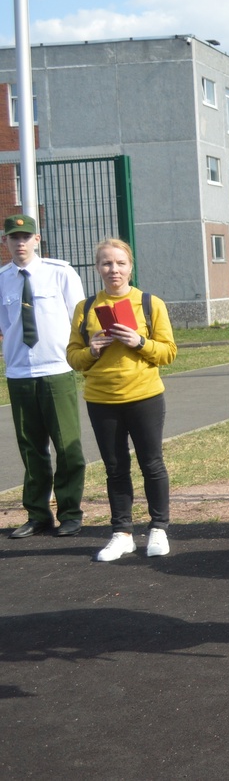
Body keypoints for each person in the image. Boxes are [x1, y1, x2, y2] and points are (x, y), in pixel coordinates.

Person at [67, 238, 178, 560]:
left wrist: (139, 341)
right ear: (97, 268)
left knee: (152, 464)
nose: (113, 269)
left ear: (130, 267)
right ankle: (122, 533)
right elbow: (73, 357)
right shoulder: (85, 308)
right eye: (106, 263)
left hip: (144, 395)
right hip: (101, 399)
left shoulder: (150, 303)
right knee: (115, 468)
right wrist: (92, 350)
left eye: (120, 263)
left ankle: (158, 529)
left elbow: (168, 352)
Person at [1, 213, 86, 539]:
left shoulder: (60, 272)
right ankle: (38, 515)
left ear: (37, 240)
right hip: (20, 373)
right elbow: (6, 325)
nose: (20, 243)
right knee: (31, 448)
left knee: (67, 447)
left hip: (56, 370)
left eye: (26, 237)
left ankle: (70, 514)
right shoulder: (2, 279)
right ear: (5, 241)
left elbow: (79, 318)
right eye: (14, 237)